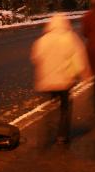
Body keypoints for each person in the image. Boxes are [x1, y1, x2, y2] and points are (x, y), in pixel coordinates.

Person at [30, 13, 90, 144]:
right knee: (65, 107)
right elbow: (78, 58)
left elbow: (35, 58)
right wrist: (84, 73)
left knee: (51, 107)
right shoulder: (69, 38)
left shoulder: (43, 39)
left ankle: (47, 133)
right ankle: (62, 135)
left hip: (47, 82)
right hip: (64, 81)